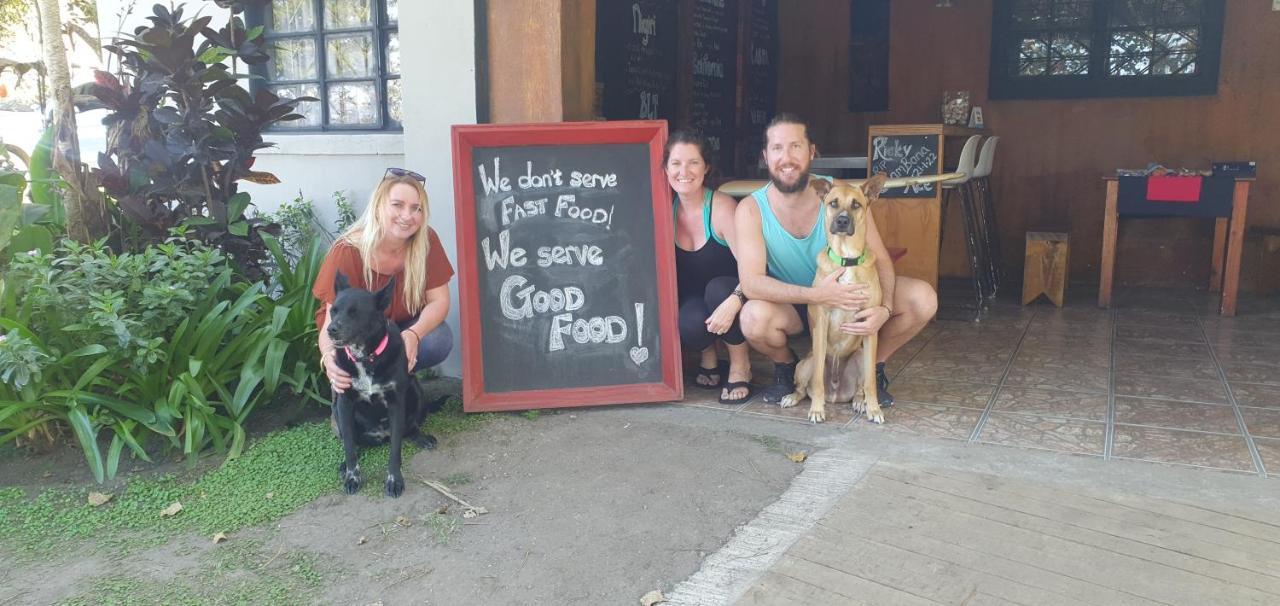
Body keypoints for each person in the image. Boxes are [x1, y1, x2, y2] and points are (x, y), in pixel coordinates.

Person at [735, 114, 938, 405]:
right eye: (777, 148)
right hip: (793, 308)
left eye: (796, 146)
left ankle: (871, 368)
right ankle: (786, 367)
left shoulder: (843, 194)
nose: (787, 157)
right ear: (765, 156)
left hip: (851, 301)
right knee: (753, 317)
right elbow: (752, 283)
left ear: (811, 152)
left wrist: (885, 307)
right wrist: (818, 295)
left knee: (923, 298)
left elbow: (880, 259)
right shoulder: (751, 208)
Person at [314, 168, 455, 393]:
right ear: (379, 206)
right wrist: (329, 358)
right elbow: (333, 315)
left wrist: (413, 334)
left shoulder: (426, 241)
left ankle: (394, 387)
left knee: (438, 339)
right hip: (359, 332)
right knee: (342, 354)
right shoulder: (348, 251)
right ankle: (349, 391)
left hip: (401, 326)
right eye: (397, 205)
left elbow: (439, 301)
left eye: (416, 208)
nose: (407, 216)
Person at [666, 131, 754, 404]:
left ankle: (741, 365)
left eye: (693, 163)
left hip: (734, 289)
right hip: (695, 296)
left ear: (706, 167)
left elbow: (754, 269)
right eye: (676, 163)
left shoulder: (722, 207)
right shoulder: (663, 208)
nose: (684, 171)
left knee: (717, 291)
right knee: (689, 322)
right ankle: (709, 355)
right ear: (666, 168)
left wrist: (735, 300)